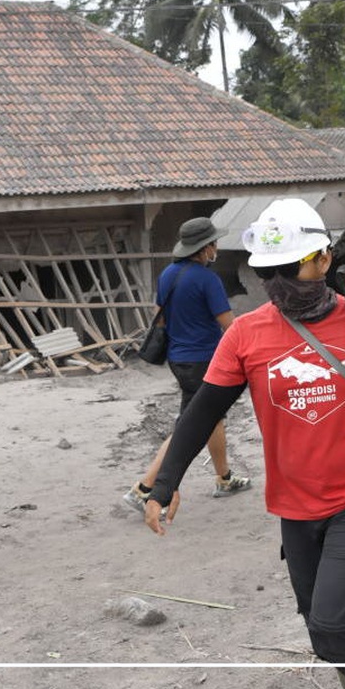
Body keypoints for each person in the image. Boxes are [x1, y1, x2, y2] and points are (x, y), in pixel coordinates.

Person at [142, 199, 345, 689]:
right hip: (296, 506)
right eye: (268, 271)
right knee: (322, 630)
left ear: (324, 259)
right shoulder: (247, 334)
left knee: (339, 616)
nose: (279, 281)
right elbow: (204, 409)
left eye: (291, 266)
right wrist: (165, 484)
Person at [123, 218, 250, 512]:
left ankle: (224, 478)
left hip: (177, 359)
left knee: (210, 416)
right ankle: (144, 488)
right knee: (189, 426)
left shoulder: (168, 274)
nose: (216, 248)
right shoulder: (208, 279)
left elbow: (160, 317)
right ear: (205, 248)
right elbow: (229, 326)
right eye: (214, 243)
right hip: (203, 362)